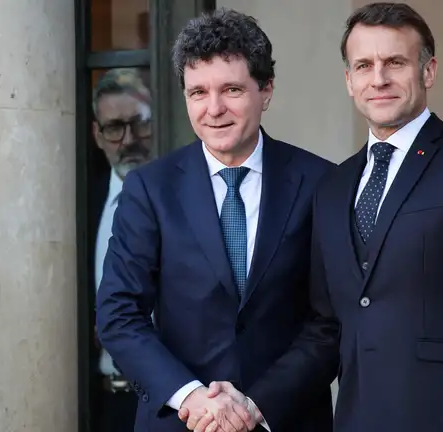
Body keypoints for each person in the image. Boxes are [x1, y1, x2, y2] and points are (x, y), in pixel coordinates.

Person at [200, 3, 443, 431]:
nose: (378, 79)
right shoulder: (334, 186)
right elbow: (326, 329)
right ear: (349, 80)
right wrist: (254, 404)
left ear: (428, 71)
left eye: (395, 62)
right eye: (363, 66)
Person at [95, 8, 337, 432]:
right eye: (198, 92)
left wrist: (256, 405)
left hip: (286, 419)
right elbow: (118, 314)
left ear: (266, 90)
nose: (214, 108)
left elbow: (331, 321)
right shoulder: (150, 189)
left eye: (231, 89)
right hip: (181, 420)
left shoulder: (321, 183)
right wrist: (191, 397)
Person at [90, 68, 155, 432]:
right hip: (106, 402)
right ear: (97, 135)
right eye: (115, 127)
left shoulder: (187, 198)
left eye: (139, 123)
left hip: (174, 402)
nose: (129, 139)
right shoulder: (81, 202)